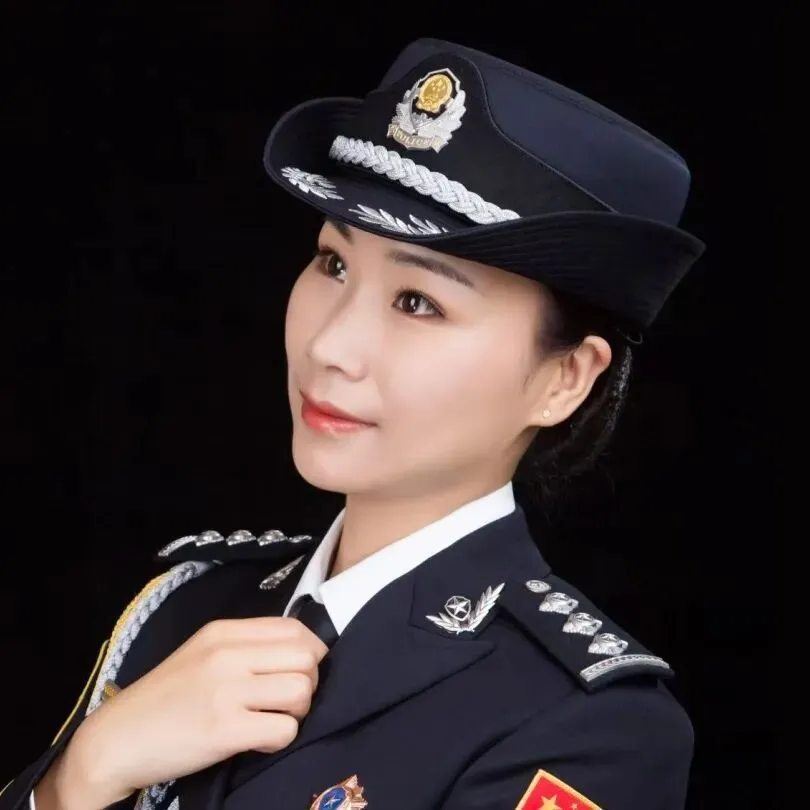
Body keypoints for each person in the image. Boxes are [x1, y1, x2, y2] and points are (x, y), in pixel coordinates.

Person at [1, 37, 705, 810]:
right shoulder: (186, 607)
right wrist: (80, 777)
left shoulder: (587, 728)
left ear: (563, 379)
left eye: (418, 302)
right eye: (333, 264)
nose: (330, 345)